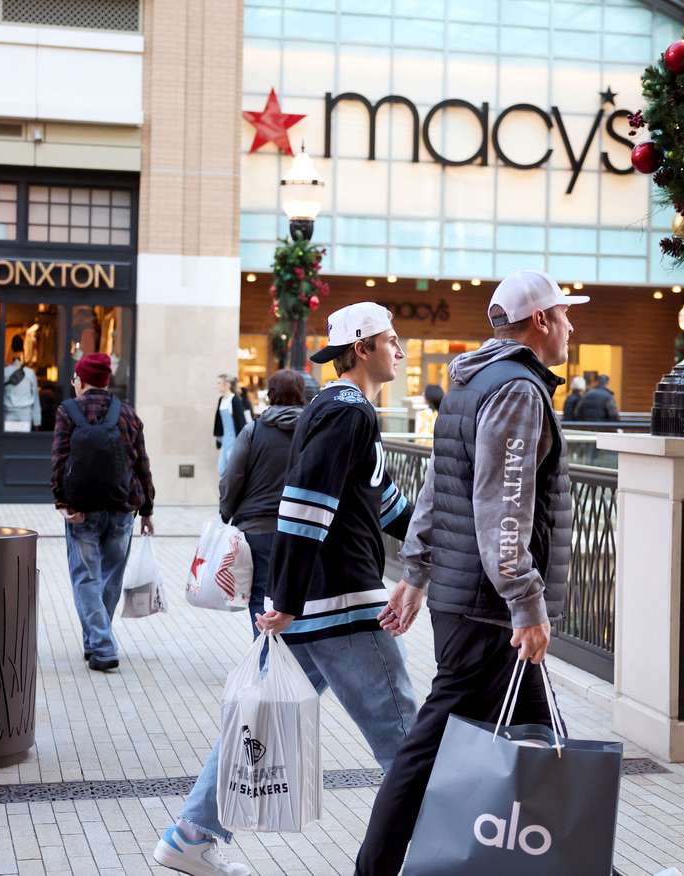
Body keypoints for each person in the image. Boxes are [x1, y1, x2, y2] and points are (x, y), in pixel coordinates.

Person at [153, 303, 419, 876]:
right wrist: (286, 600)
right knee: (406, 741)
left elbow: (382, 504)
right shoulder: (348, 413)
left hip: (318, 605)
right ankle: (429, 851)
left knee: (263, 715)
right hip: (340, 605)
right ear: (363, 348)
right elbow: (304, 509)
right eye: (391, 340)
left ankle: (191, 834)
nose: (400, 350)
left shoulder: (338, 410)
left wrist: (430, 545)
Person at [354, 269, 589, 876]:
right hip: (488, 608)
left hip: (468, 599)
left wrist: (417, 571)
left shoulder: (472, 384)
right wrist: (526, 602)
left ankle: (587, 863)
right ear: (539, 321)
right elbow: (501, 507)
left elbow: (439, 487)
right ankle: (373, 867)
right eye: (564, 315)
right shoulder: (516, 391)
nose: (570, 325)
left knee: (537, 735)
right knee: (430, 745)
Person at [51, 353, 155, 672]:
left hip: (82, 509)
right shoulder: (127, 413)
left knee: (86, 577)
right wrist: (148, 509)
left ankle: (102, 643)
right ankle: (97, 640)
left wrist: (62, 501)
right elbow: (141, 463)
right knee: (110, 576)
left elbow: (59, 459)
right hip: (123, 508)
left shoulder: (68, 411)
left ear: (81, 380)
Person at [218, 368, 306, 634]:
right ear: (302, 395)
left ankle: (266, 658)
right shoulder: (314, 431)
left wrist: (226, 511)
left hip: (258, 527)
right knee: (299, 594)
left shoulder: (254, 431)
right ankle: (292, 659)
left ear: (271, 395)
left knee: (260, 594)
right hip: (302, 528)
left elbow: (232, 477)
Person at [3, 334, 41, 431]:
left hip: (8, 414)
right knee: (23, 444)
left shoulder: (5, 372)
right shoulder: (30, 373)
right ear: (23, 349)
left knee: (9, 444)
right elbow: (36, 398)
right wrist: (37, 421)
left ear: (11, 349)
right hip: (25, 415)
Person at [214, 374, 248, 476]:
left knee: (232, 471)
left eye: (219, 383)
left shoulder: (235, 400)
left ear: (227, 385)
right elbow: (218, 421)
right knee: (221, 470)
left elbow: (241, 422)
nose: (217, 385)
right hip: (225, 439)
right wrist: (218, 437)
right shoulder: (221, 400)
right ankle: (224, 492)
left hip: (234, 440)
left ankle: (231, 491)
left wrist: (241, 443)